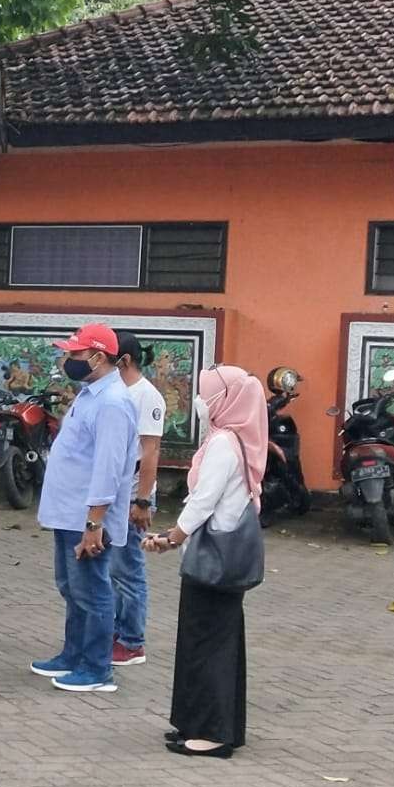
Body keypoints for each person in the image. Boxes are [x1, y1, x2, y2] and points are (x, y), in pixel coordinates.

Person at [143, 366, 267, 757]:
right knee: (212, 641)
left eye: (205, 394)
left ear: (223, 399)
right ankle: (198, 723)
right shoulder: (237, 438)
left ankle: (213, 734)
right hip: (221, 558)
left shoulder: (222, 444)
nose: (199, 401)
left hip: (214, 559)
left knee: (208, 644)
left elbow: (203, 500)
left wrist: (172, 536)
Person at [31, 322, 139, 692]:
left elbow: (109, 468)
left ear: (98, 357)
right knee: (72, 587)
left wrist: (95, 522)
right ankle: (73, 655)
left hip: (87, 517)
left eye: (75, 353)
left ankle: (96, 668)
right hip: (69, 512)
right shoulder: (91, 393)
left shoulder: (112, 402)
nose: (68, 359)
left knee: (92, 591)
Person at [110, 332, 167, 667]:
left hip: (133, 497)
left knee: (128, 571)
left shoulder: (147, 396)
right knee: (114, 571)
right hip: (115, 497)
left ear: (125, 360)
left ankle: (132, 641)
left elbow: (150, 452)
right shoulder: (115, 393)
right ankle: (117, 632)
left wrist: (142, 501)